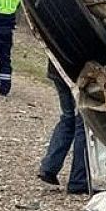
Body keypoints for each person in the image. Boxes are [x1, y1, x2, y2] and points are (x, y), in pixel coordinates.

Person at [38, 60, 89, 194]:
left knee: (68, 118)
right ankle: (79, 181)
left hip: (57, 67)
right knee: (82, 123)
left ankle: (49, 167)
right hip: (77, 71)